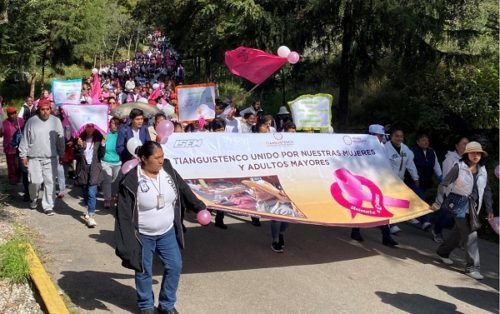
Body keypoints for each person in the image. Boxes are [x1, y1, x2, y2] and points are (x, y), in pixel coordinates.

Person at [114, 141, 206, 314]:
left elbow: (183, 188)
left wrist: (198, 205)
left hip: (167, 232)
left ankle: (167, 305)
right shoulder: (131, 181)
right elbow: (124, 215)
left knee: (175, 265)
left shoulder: (168, 169)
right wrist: (125, 243)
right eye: (156, 158)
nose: (161, 160)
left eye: (162, 156)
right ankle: (146, 306)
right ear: (143, 158)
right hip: (142, 235)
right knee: (143, 270)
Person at [432, 141, 493, 280]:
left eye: (478, 153)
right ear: (467, 154)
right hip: (459, 205)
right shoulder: (458, 167)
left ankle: (443, 252)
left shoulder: (483, 170)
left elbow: (487, 190)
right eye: (472, 153)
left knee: (458, 233)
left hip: (474, 207)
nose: (476, 155)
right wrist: (438, 202)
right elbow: (444, 184)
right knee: (471, 235)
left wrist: (489, 209)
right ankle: (472, 267)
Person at [350, 124, 399, 246]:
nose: (382, 138)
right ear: (372, 135)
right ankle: (355, 231)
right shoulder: (360, 146)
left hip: (379, 181)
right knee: (362, 207)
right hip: (364, 181)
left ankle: (386, 236)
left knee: (380, 208)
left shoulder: (382, 146)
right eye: (380, 135)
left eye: (382, 136)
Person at [18, 100, 65, 215]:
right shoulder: (31, 121)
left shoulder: (56, 121)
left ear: (51, 109)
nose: (45, 112)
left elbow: (61, 139)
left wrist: (62, 153)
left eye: (47, 109)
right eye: (43, 109)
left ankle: (48, 206)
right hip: (34, 157)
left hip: (51, 157)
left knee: (50, 182)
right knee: (35, 182)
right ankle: (33, 199)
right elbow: (25, 139)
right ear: (38, 110)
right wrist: (23, 155)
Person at [432, 136, 469, 243]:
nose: (466, 146)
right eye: (464, 143)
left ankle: (457, 240)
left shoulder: (468, 160)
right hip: (450, 192)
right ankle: (436, 231)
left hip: (462, 193)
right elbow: (447, 178)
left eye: (468, 144)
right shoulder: (450, 159)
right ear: (457, 146)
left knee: (457, 217)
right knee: (446, 215)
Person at [384, 127, 419, 234]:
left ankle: (395, 221)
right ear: (392, 136)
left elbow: (410, 164)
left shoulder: (405, 149)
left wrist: (415, 177)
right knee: (391, 202)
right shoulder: (385, 148)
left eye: (401, 136)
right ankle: (392, 225)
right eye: (397, 136)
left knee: (397, 202)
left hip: (399, 180)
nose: (399, 138)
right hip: (387, 181)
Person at [406, 133, 442, 230]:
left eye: (427, 140)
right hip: (414, 181)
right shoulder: (412, 152)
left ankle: (410, 215)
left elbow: (436, 165)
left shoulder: (431, 152)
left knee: (418, 199)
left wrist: (440, 177)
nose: (426, 142)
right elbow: (409, 166)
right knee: (422, 200)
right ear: (418, 142)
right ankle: (425, 221)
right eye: (423, 140)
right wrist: (415, 178)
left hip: (426, 181)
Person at [74, 124, 105, 227]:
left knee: (92, 192)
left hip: (95, 167)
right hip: (82, 168)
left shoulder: (99, 138)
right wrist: (79, 146)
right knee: (85, 190)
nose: (90, 129)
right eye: (88, 127)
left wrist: (103, 145)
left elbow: (101, 155)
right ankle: (88, 207)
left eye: (92, 126)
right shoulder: (80, 137)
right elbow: (76, 156)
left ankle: (91, 215)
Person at [101, 117, 122, 209]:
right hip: (106, 161)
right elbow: (102, 146)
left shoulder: (121, 135)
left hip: (118, 162)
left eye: (115, 124)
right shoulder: (106, 134)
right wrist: (103, 142)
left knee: (115, 181)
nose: (113, 125)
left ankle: (114, 195)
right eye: (112, 123)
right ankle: (107, 199)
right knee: (107, 181)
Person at [1, 106, 24, 185]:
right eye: (10, 114)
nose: (12, 115)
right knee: (11, 164)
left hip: (20, 146)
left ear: (16, 113)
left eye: (13, 113)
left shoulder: (21, 121)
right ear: (7, 114)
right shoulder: (4, 123)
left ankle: (20, 177)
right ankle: (12, 178)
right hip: (9, 146)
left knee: (21, 164)